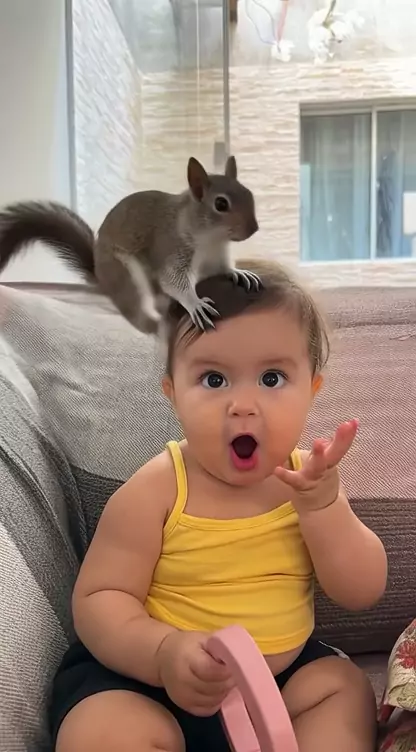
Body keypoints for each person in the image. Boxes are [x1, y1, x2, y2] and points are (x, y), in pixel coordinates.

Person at [49, 259, 388, 752]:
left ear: (312, 389)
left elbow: (362, 590)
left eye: (272, 378)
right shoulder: (157, 489)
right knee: (102, 728)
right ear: (173, 393)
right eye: (213, 380)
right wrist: (162, 652)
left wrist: (323, 509)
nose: (243, 405)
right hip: (152, 683)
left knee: (343, 688)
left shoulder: (308, 484)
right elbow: (100, 598)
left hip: (276, 686)